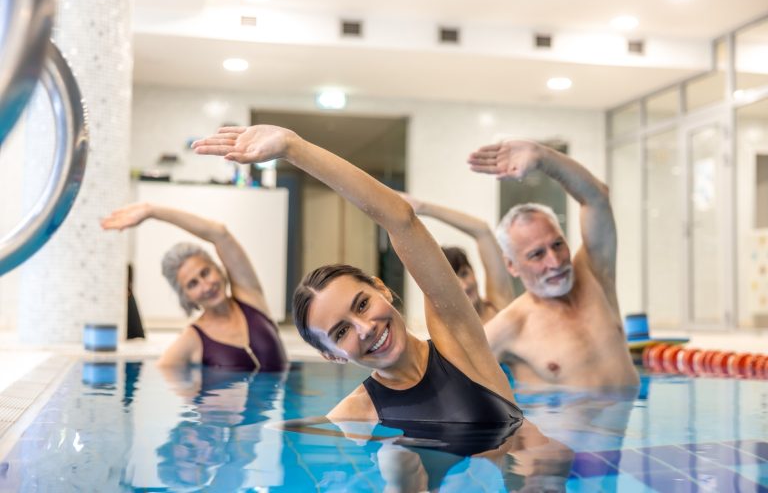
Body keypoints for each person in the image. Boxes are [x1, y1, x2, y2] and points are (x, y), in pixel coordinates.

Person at [193, 125, 572, 489]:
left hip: (530, 481)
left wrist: (294, 148)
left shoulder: (459, 343)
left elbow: (401, 219)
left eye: (362, 304)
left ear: (382, 289)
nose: (365, 328)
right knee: (396, 462)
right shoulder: (352, 415)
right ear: (333, 355)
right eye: (341, 332)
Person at [468, 139, 639, 388]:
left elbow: (597, 198)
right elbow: (453, 393)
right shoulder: (509, 327)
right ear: (512, 266)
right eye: (537, 254)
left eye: (558, 244)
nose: (555, 261)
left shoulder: (595, 276)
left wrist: (542, 157)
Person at [101, 204, 287, 371]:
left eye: (205, 272)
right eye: (193, 284)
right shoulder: (192, 339)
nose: (206, 286)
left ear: (218, 268)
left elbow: (219, 233)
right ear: (186, 296)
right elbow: (162, 377)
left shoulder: (250, 296)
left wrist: (153, 212)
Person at [400, 194, 516, 323]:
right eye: (454, 283)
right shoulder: (453, 331)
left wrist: (423, 207)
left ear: (473, 271)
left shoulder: (499, 305)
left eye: (464, 274)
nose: (465, 286)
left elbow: (482, 230)